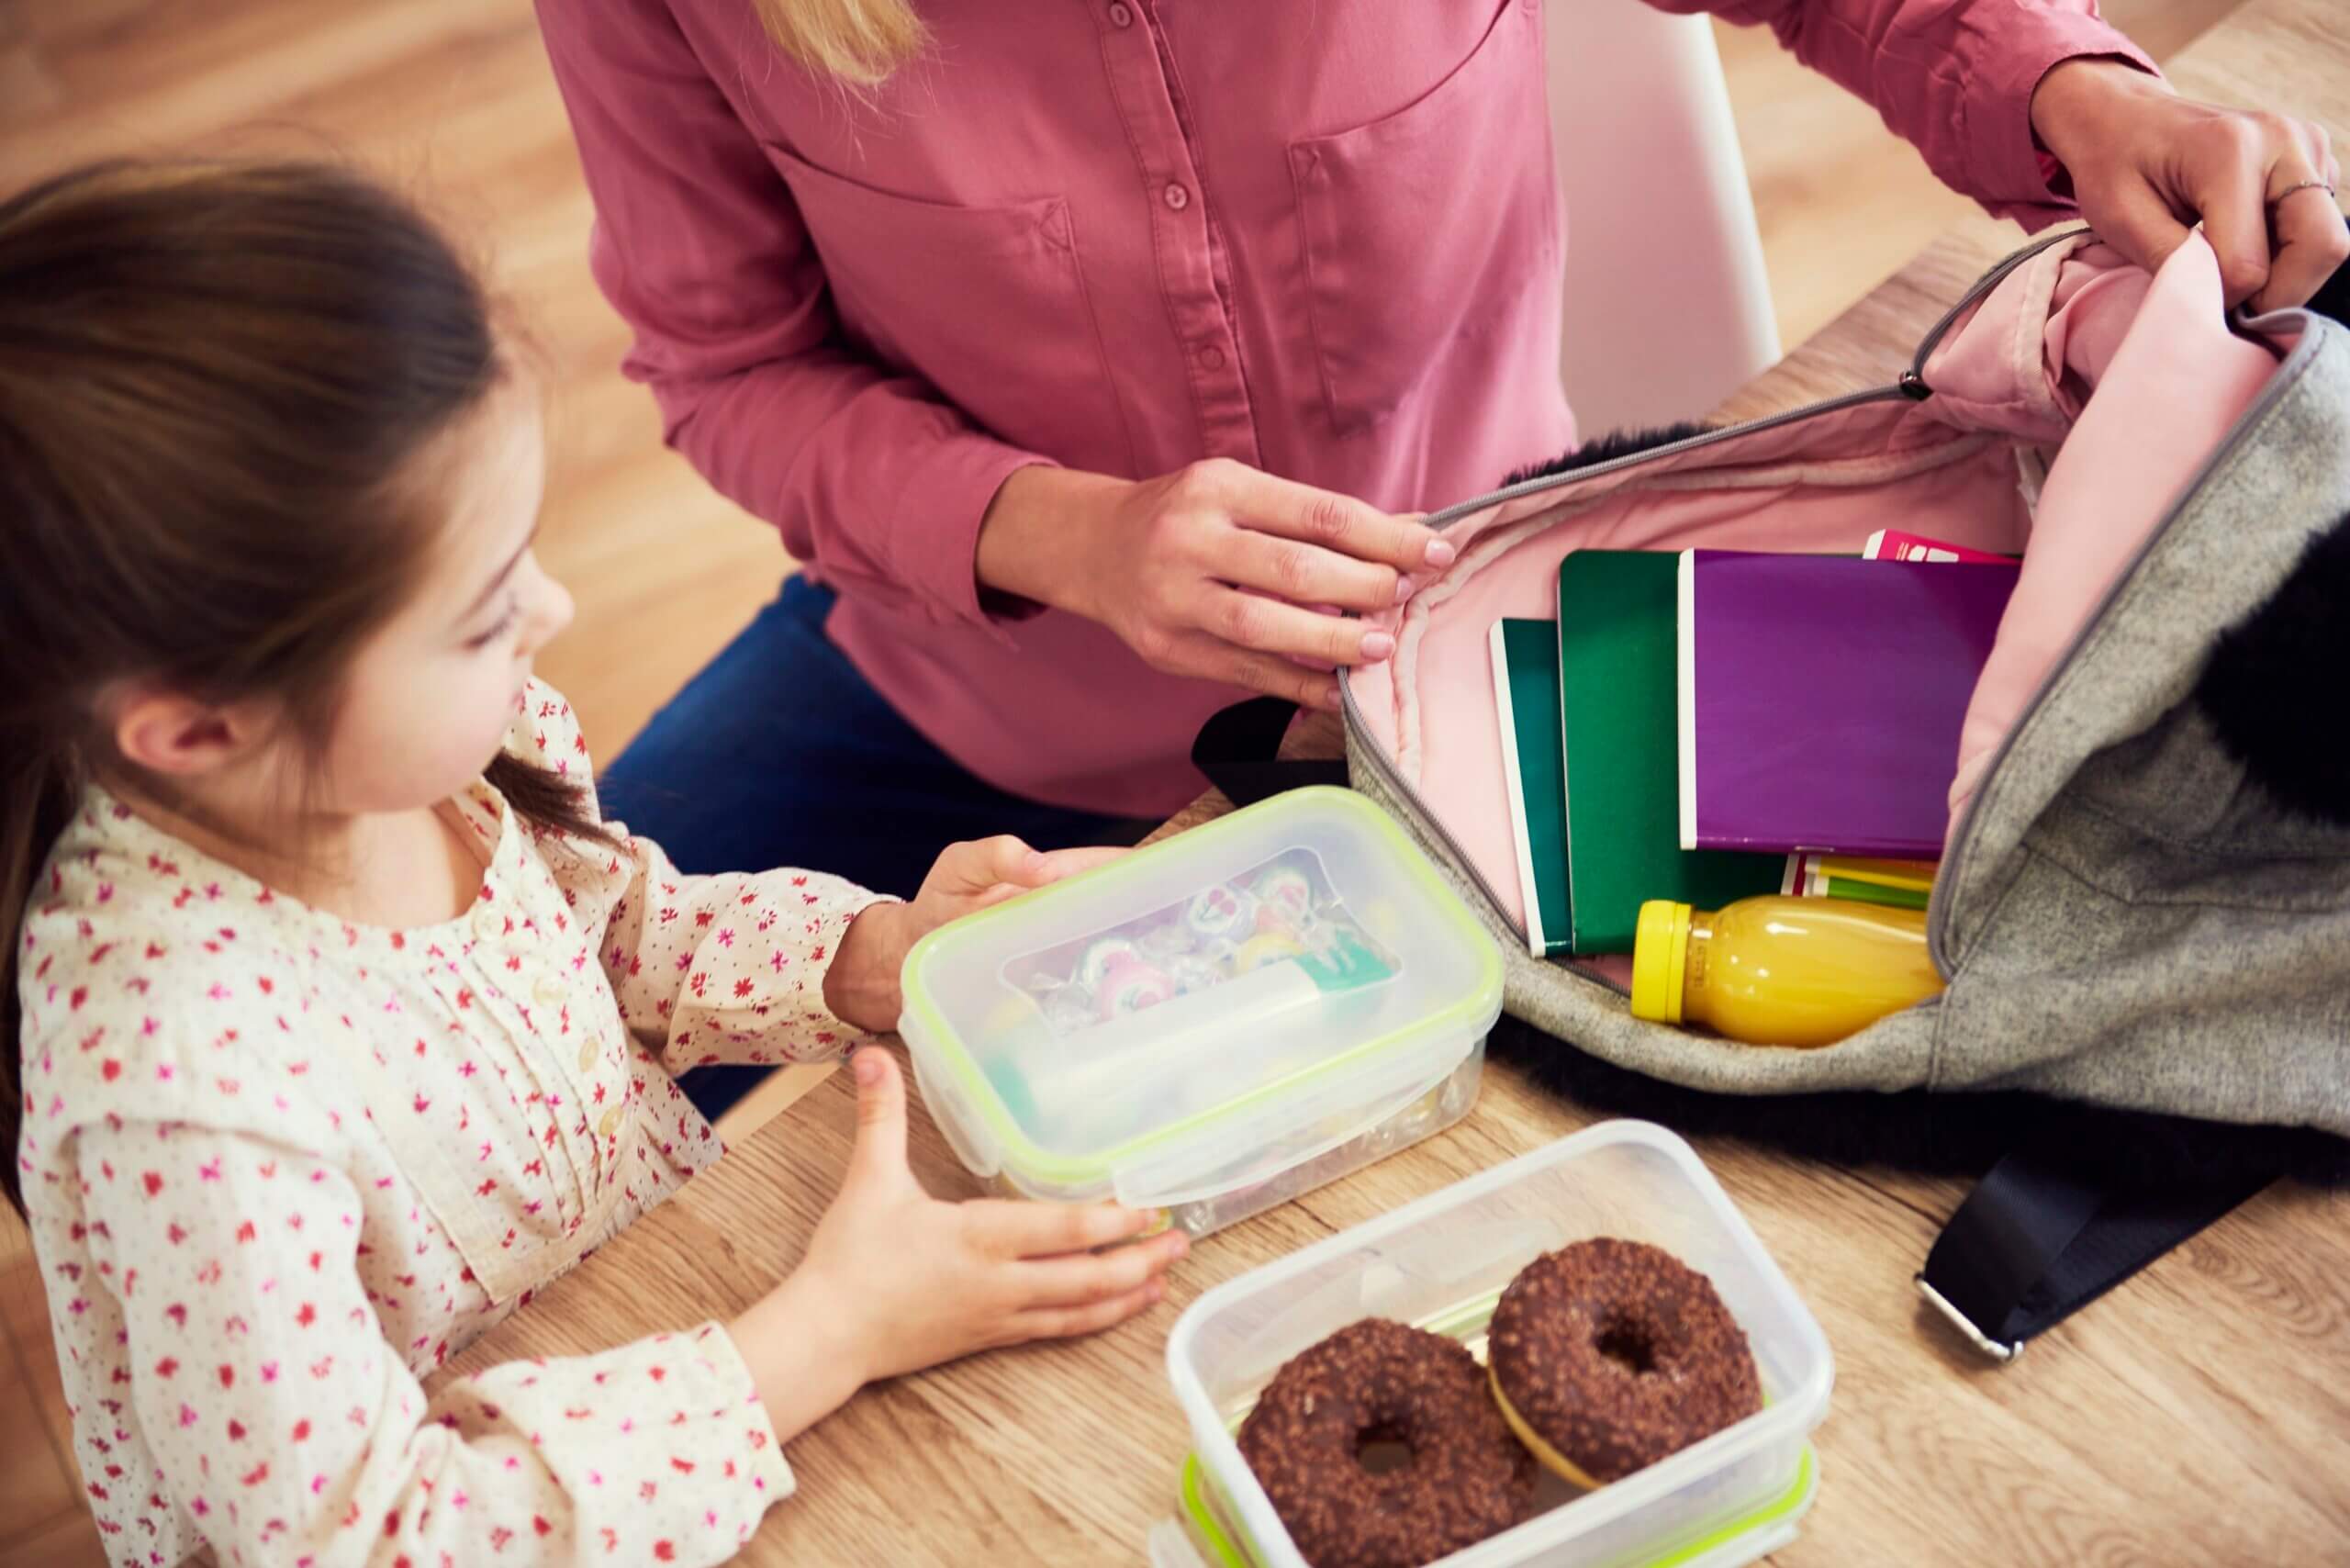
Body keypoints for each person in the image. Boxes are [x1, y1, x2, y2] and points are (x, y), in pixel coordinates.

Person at [531, 0, 2345, 1118]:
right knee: (538, 991)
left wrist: (2070, 91)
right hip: (965, 689)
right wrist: (1066, 534)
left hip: (1468, 685)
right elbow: (733, 372)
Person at [0, 159, 1187, 1568]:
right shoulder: (177, 1093)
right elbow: (362, 1538)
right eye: (485, 608)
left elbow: (615, 937)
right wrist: (830, 1330)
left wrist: (881, 954)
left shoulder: (430, 757)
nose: (553, 613)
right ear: (200, 726)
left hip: (664, 1346)